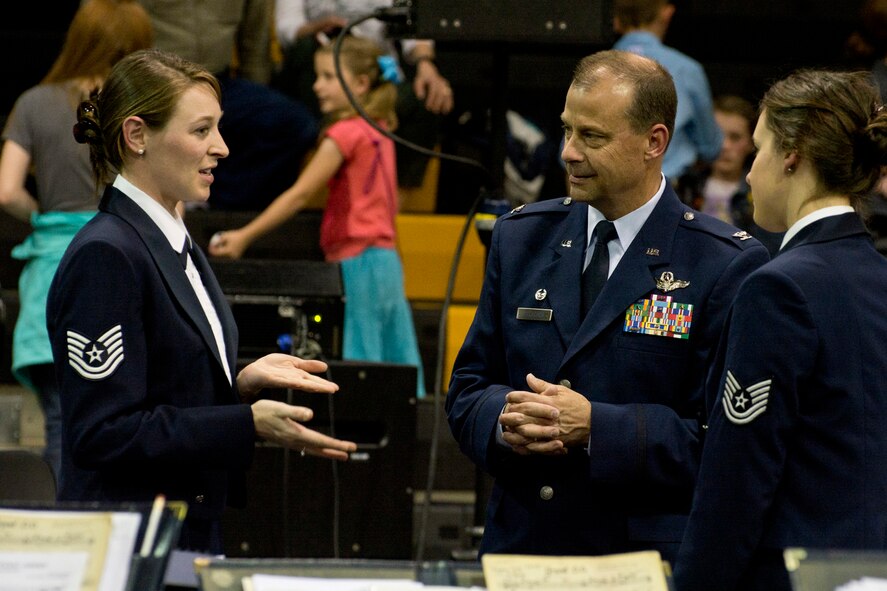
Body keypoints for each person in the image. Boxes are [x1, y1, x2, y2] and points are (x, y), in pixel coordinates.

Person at [445, 49, 768, 562]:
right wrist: (504, 419)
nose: (568, 152)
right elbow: (467, 390)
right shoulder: (521, 238)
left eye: (592, 137)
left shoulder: (722, 263)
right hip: (524, 549)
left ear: (654, 142)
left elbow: (724, 440)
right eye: (568, 130)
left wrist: (598, 427)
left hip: (638, 559)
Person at [47, 48, 357, 553]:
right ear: (137, 135)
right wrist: (245, 422)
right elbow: (103, 432)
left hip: (180, 533)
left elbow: (159, 389)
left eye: (217, 128)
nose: (223, 148)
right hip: (131, 547)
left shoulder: (169, 239)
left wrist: (237, 384)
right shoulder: (107, 253)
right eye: (201, 130)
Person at [673, 70, 887, 591]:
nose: (748, 174)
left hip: (791, 576)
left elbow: (738, 478)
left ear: (791, 154)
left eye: (760, 148)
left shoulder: (777, 289)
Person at [208, 35, 426, 398]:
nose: (316, 85)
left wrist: (245, 235)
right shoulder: (381, 130)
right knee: (395, 359)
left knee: (363, 369)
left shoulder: (344, 133)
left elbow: (300, 194)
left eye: (327, 76)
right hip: (386, 263)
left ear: (359, 84)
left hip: (358, 262)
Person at [0, 0, 153, 484]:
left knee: (60, 428)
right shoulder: (144, 109)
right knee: (128, 427)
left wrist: (44, 216)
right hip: (130, 268)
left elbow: (5, 190)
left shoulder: (34, 102)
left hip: (52, 275)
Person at [136, 0, 320, 210]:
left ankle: (212, 200)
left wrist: (255, 95)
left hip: (217, 83)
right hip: (154, 83)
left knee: (295, 124)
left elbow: (255, 42)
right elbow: (111, 18)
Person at [272, 0, 454, 190]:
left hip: (377, 74)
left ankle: (395, 200)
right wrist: (318, 26)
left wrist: (425, 63)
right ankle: (325, 140)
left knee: (423, 96)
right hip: (321, 66)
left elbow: (413, 24)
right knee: (304, 50)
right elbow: (286, 29)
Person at [613, 0, 722, 183]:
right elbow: (710, 146)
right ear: (667, 14)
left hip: (607, 194)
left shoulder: (593, 69)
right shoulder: (687, 69)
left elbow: (568, 150)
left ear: (616, 21)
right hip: (666, 191)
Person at [677, 95, 784, 255]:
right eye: (717, 135)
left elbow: (771, 253)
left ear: (751, 143)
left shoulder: (765, 193)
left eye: (735, 137)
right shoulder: (684, 185)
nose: (725, 145)